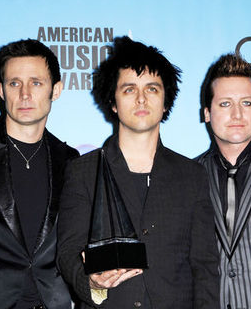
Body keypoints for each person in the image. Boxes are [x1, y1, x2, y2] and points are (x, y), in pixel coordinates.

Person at [57, 36, 219, 309]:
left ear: (166, 101)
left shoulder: (192, 175)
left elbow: (204, 268)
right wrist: (93, 284)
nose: (141, 98)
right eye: (129, 89)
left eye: (152, 89)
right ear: (113, 102)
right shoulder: (84, 172)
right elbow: (68, 253)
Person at [0, 39, 79, 309]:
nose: (25, 94)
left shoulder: (70, 161)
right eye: (14, 83)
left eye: (36, 83)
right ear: (1, 90)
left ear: (56, 90)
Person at [196, 53, 251, 309]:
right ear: (207, 113)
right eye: (225, 104)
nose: (238, 114)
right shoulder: (189, 175)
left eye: (246, 103)